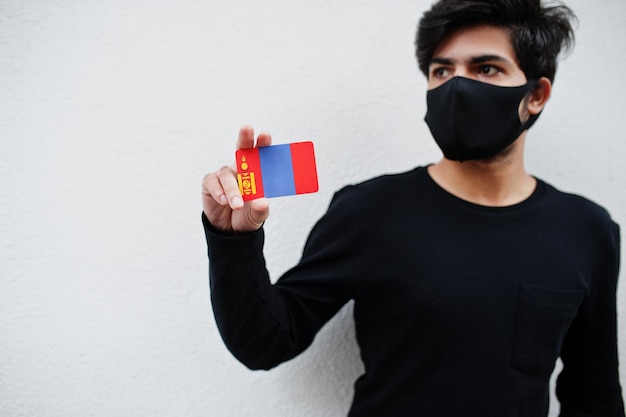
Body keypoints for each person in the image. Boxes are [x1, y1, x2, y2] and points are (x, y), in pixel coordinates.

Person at [201, 0, 625, 415]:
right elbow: (267, 342)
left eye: (486, 68)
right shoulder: (369, 210)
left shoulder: (587, 230)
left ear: (536, 94)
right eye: (442, 70)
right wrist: (232, 239)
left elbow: (594, 393)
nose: (458, 86)